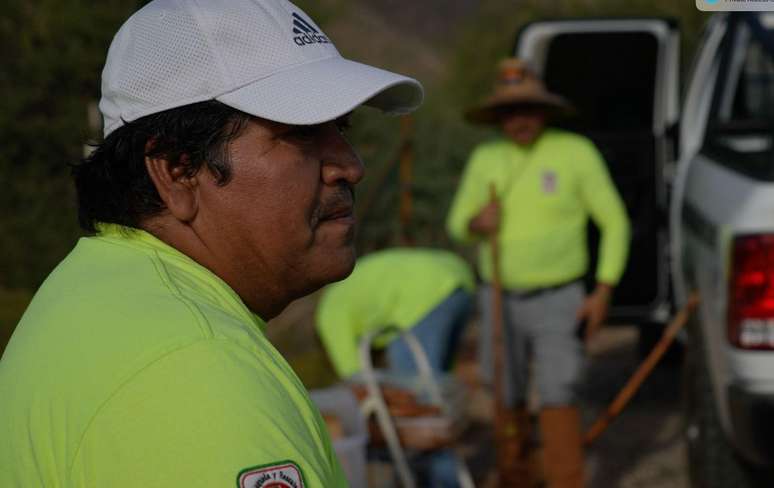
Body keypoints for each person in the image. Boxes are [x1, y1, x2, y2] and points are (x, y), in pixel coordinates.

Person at [0, 0, 422, 486]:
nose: (351, 165)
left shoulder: (99, 291)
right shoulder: (193, 371)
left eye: (340, 129)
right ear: (178, 171)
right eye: (302, 133)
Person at [446, 58, 630, 488]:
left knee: (559, 387)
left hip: (560, 296)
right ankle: (517, 473)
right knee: (502, 387)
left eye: (527, 108)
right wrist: (477, 222)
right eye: (510, 112)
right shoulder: (485, 157)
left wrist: (603, 290)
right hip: (498, 296)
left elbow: (615, 221)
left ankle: (566, 478)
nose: (520, 119)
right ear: (498, 117)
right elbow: (456, 223)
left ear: (544, 110)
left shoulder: (575, 152)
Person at [316, 247, 474, 488]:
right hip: (459, 280)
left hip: (424, 295)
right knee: (433, 394)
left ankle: (444, 481)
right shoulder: (348, 296)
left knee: (421, 414)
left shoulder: (328, 314)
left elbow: (357, 381)